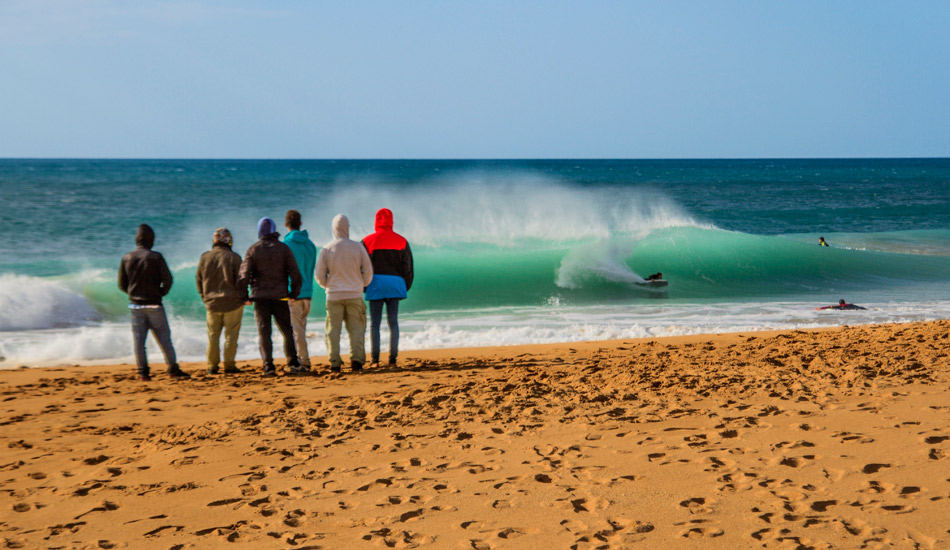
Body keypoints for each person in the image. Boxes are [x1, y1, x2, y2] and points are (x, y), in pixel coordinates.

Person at [118, 224, 189, 381]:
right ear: (151, 239)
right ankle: (172, 369)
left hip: (135, 305)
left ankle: (143, 373)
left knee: (139, 341)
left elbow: (122, 284)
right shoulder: (156, 257)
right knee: (164, 339)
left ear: (137, 239)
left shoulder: (127, 257)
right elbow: (168, 279)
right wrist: (161, 293)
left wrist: (132, 294)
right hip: (155, 304)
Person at [239, 217, 303, 376]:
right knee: (287, 331)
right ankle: (293, 363)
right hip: (280, 296)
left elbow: (243, 275)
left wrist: (244, 296)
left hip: (260, 298)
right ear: (274, 230)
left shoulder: (253, 249)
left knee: (264, 332)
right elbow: (295, 273)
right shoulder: (283, 248)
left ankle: (268, 367)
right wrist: (293, 293)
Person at [316, 214, 373, 373]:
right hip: (355, 294)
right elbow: (368, 271)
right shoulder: (358, 247)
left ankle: (335, 363)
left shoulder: (327, 248)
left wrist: (328, 286)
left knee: (333, 331)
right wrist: (361, 285)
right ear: (347, 227)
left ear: (333, 228)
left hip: (333, 295)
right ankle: (356, 362)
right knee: (356, 329)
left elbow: (319, 274)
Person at [361, 208, 413, 369]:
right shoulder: (402, 241)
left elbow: (361, 266)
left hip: (375, 285)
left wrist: (365, 286)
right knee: (393, 322)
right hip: (395, 285)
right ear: (391, 221)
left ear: (376, 221)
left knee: (374, 324)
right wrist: (405, 286)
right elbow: (408, 268)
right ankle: (392, 359)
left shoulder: (367, 241)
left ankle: (375, 360)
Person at [196, 227, 246, 375]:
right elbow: (241, 281)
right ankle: (229, 365)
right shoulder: (234, 257)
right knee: (231, 335)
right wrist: (244, 297)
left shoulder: (205, 257)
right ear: (228, 240)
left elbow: (199, 279)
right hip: (233, 303)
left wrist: (204, 297)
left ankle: (212, 366)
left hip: (211, 303)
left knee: (213, 336)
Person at [283, 210, 318, 372]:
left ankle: (303, 360)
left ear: (286, 224)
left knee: (297, 331)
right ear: (300, 224)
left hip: (293, 293)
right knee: (301, 329)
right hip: (308, 292)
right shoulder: (310, 245)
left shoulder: (286, 245)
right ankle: (302, 358)